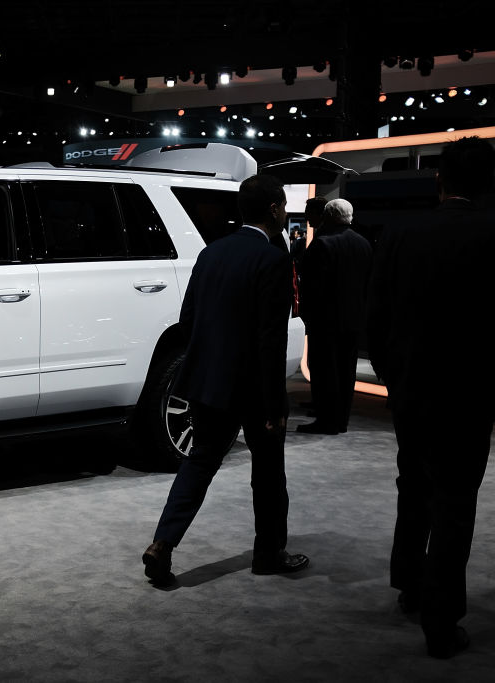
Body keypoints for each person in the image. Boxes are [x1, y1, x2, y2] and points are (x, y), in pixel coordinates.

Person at [142, 174, 310, 587]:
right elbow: (270, 340)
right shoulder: (272, 259)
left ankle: (163, 543)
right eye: (283, 206)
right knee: (268, 472)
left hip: (208, 381)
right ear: (273, 209)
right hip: (252, 387)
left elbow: (188, 320)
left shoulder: (210, 254)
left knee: (199, 463)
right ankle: (269, 554)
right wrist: (275, 405)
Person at [367, 136, 495, 659]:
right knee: (455, 503)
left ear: (439, 180)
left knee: (412, 486)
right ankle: (441, 623)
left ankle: (409, 586)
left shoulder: (400, 233)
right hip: (470, 396)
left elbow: (374, 321)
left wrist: (393, 378)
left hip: (411, 391)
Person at [295, 198, 373, 434]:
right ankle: (341, 420)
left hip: (325, 321)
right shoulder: (363, 243)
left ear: (328, 216)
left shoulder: (322, 244)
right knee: (346, 372)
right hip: (354, 320)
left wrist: (306, 316)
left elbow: (312, 287)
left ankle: (327, 421)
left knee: (325, 371)